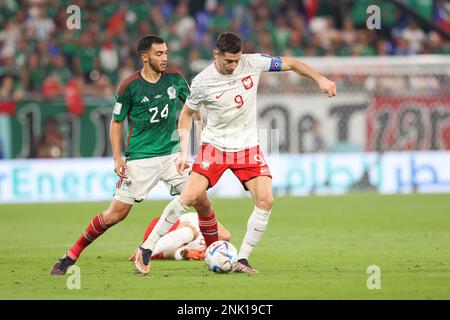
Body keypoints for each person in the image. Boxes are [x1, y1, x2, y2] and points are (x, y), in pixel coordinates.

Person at [133, 32, 337, 275]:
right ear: (216, 55)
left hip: (247, 147)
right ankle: (146, 248)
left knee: (266, 200)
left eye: (236, 60)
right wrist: (183, 151)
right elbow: (187, 114)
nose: (233, 65)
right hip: (215, 147)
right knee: (189, 196)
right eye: (229, 61)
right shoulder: (202, 82)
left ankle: (242, 259)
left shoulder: (253, 62)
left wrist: (320, 79)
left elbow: (292, 63)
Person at [50, 35, 219, 275]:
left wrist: (201, 130)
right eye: (159, 54)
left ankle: (215, 254)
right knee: (115, 215)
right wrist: (118, 158)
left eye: (166, 53)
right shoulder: (129, 86)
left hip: (171, 157)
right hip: (140, 159)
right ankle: (71, 255)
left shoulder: (176, 80)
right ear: (144, 57)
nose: (164, 58)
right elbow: (116, 123)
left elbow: (192, 110)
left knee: (202, 200)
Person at [129, 212, 231, 262]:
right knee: (190, 231)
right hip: (166, 224)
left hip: (164, 244)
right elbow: (225, 235)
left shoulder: (204, 252)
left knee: (189, 233)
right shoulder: (206, 224)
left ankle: (144, 252)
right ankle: (144, 251)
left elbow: (167, 254)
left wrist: (182, 254)